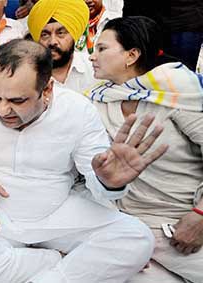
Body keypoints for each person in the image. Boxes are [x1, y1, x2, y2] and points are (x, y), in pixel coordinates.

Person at [0, 38, 169, 283]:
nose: (2, 110)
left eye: (17, 101)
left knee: (136, 238)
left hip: (57, 213)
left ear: (47, 89)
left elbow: (97, 175)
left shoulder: (78, 110)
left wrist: (108, 182)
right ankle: (56, 260)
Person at [87, 16, 203, 283]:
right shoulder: (98, 99)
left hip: (187, 220)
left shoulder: (177, 91)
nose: (93, 57)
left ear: (131, 55)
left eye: (102, 49)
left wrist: (199, 217)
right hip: (133, 227)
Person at [27, 0, 98, 94]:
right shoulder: (27, 75)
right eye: (45, 35)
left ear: (74, 34)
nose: (53, 42)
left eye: (60, 33)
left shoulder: (94, 70)